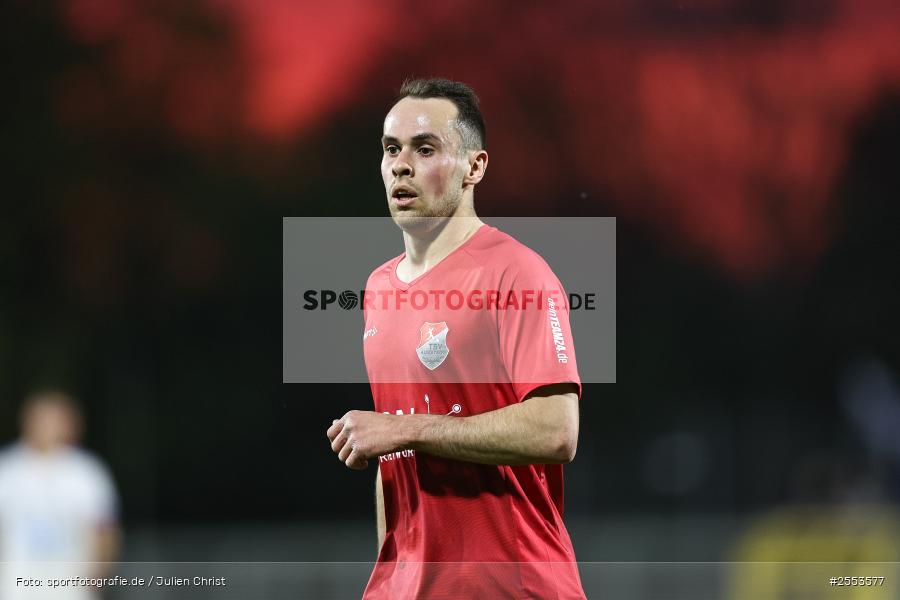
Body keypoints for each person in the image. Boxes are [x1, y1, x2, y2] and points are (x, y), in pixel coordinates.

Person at [326, 78, 586, 598]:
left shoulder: (518, 274)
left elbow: (557, 431)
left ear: (475, 167)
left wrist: (407, 430)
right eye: (391, 149)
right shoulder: (379, 287)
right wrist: (393, 573)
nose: (401, 165)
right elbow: (395, 460)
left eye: (425, 149)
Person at [0, 390, 120, 600]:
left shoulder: (87, 472)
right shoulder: (7, 469)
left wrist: (99, 573)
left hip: (71, 589)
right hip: (15, 588)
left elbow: (105, 529)